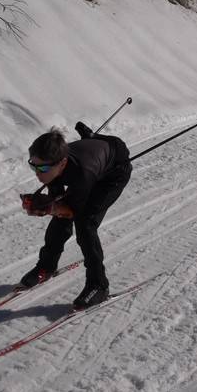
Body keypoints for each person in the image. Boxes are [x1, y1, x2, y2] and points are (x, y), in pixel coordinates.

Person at [19, 122, 132, 309]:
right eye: (34, 167)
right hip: (92, 155)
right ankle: (47, 265)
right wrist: (50, 204)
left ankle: (99, 285)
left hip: (114, 173)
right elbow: (59, 203)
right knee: (60, 216)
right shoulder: (56, 165)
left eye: (43, 169)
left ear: (62, 163)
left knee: (85, 223)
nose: (38, 174)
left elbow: (71, 211)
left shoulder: (82, 174)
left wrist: (50, 208)